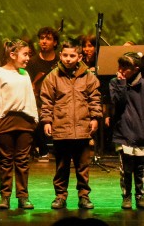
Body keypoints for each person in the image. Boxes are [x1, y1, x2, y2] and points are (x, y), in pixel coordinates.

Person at [40, 37, 102, 210]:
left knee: (83, 166)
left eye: (72, 56)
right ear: (60, 55)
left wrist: (95, 118)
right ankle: (60, 196)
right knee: (62, 166)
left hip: (82, 128)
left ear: (79, 57)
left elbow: (95, 99)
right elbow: (46, 101)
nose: (68, 59)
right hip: (61, 128)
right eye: (65, 55)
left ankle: (84, 196)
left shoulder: (88, 77)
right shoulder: (52, 77)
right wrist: (47, 121)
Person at [0, 39, 38, 210]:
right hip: (6, 121)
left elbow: (30, 97)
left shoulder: (25, 74)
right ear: (12, 54)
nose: (27, 58)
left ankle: (23, 196)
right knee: (5, 160)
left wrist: (34, 118)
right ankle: (5, 196)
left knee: (23, 160)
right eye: (25, 54)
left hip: (24, 121)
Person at [108, 51, 144, 209]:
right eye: (119, 66)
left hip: (141, 132)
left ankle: (140, 195)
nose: (120, 70)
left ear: (136, 69)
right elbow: (118, 103)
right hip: (123, 132)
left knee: (141, 169)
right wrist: (122, 84)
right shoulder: (115, 82)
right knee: (126, 169)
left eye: (125, 68)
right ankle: (126, 196)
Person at [26, 26, 60, 159]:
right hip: (37, 101)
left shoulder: (59, 62)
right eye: (42, 38)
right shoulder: (32, 62)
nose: (44, 41)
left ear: (55, 42)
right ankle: (42, 150)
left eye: (48, 38)